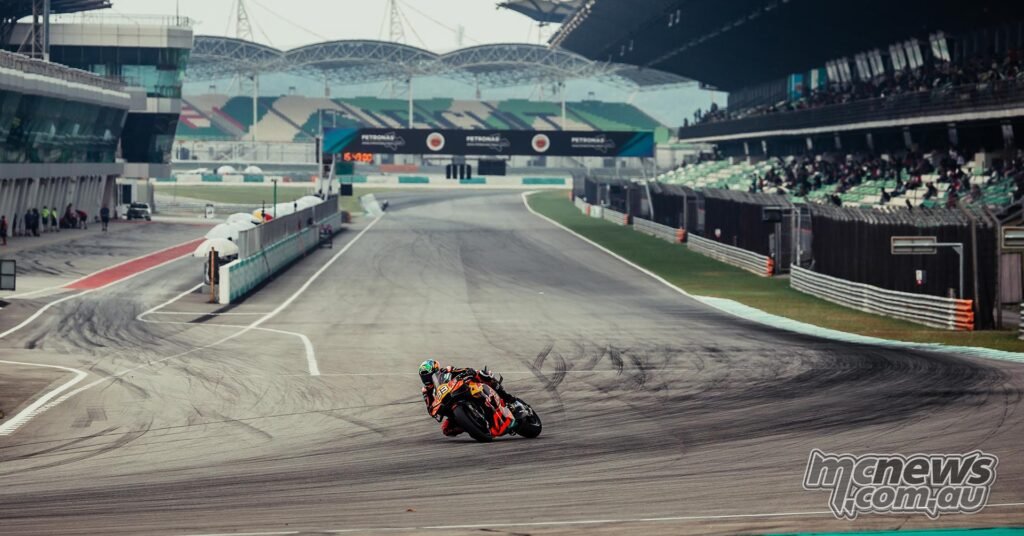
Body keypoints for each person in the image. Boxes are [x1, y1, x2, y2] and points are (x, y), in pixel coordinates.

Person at [418, 359, 519, 437]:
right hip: (449, 402)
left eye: (428, 376)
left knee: (482, 375)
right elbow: (430, 407)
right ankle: (473, 425)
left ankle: (509, 399)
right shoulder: (426, 391)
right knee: (446, 429)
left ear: (435, 370)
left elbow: (461, 370)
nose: (426, 379)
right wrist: (435, 410)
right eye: (424, 377)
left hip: (463, 388)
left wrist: (467, 372)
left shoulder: (446, 371)